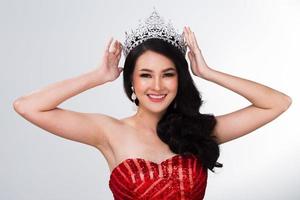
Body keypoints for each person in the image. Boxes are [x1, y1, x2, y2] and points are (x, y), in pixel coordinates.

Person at [13, 9, 292, 200]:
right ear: (131, 81)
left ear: (179, 80)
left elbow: (277, 103)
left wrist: (207, 71)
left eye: (168, 74)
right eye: (146, 75)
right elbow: (28, 106)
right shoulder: (108, 131)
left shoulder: (198, 130)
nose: (157, 86)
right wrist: (98, 77)